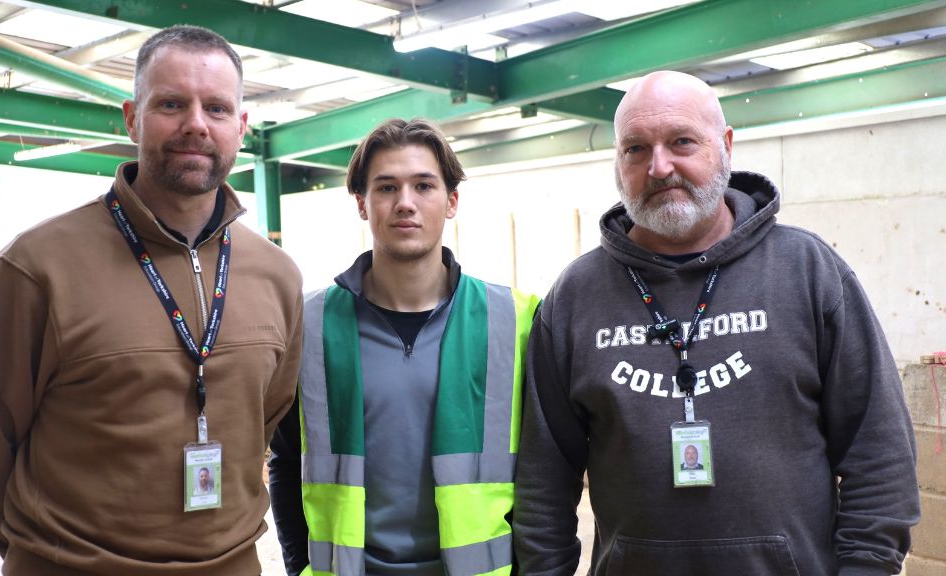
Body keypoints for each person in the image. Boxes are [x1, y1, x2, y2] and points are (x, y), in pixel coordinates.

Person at [513, 71, 919, 575]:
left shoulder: (808, 271)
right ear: (618, 165)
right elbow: (542, 483)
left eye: (682, 141)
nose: (659, 167)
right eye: (636, 149)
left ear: (725, 146)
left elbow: (878, 454)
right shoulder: (575, 297)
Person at [0, 25, 303, 575]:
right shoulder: (37, 267)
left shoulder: (276, 276)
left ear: (240, 126)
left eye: (215, 107)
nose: (195, 123)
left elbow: (263, 418)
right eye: (170, 103)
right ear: (132, 117)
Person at [267, 118, 540, 576]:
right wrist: (297, 566)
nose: (405, 203)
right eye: (387, 187)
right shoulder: (309, 323)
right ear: (362, 203)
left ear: (452, 201)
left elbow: (544, 473)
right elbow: (287, 462)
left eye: (424, 186)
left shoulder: (514, 320)